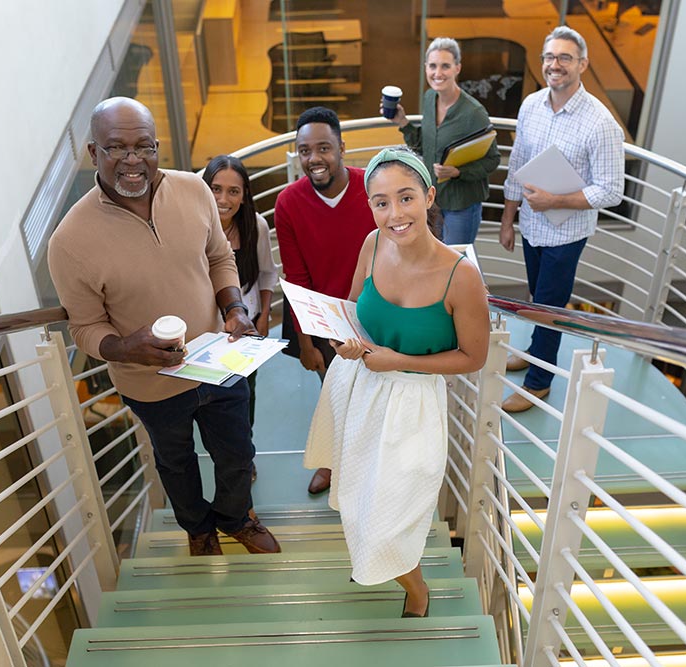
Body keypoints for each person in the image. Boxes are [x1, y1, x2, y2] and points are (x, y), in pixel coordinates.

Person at [48, 97, 280, 557]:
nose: (134, 161)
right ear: (94, 154)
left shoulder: (194, 191)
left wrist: (235, 310)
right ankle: (198, 529)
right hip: (149, 384)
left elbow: (218, 257)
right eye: (117, 148)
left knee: (237, 455)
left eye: (144, 147)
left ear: (158, 147)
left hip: (218, 358)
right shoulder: (68, 241)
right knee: (176, 463)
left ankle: (236, 518)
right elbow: (85, 327)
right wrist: (124, 347)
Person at [304, 147, 489, 618]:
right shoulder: (372, 243)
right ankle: (378, 558)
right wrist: (346, 341)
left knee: (393, 514)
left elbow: (474, 357)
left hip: (412, 402)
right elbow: (352, 307)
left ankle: (415, 587)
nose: (394, 214)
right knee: (356, 495)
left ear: (429, 196)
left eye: (405, 198)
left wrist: (398, 360)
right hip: (357, 386)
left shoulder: (461, 277)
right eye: (381, 202)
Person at [498, 26, 625, 413]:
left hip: (566, 235)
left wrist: (557, 199)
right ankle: (534, 352)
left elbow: (612, 190)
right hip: (531, 228)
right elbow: (517, 164)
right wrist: (508, 218)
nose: (555, 65)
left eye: (565, 58)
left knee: (551, 308)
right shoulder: (532, 105)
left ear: (582, 64)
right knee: (538, 298)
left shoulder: (600, 123)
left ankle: (538, 384)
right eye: (549, 57)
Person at [274, 106, 377, 495]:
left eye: (323, 148)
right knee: (334, 394)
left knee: (373, 395)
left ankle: (367, 464)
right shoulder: (288, 202)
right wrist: (306, 344)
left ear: (342, 148)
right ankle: (333, 462)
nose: (314, 159)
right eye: (304, 151)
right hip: (324, 321)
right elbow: (296, 279)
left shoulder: (371, 188)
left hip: (375, 314)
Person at [385, 37, 500, 245]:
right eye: (433, 66)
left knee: (455, 264)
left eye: (445, 66)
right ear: (425, 68)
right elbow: (425, 145)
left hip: (461, 207)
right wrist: (402, 121)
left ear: (457, 68)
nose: (438, 73)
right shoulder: (430, 98)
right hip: (433, 202)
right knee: (434, 259)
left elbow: (492, 160)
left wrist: (458, 172)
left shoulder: (474, 113)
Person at [203, 155, 278, 432]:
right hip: (208, 331)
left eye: (233, 191)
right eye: (216, 189)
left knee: (246, 391)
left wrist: (264, 316)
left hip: (247, 326)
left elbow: (268, 272)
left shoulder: (255, 226)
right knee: (215, 396)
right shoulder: (194, 228)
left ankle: (245, 446)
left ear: (244, 195)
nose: (224, 198)